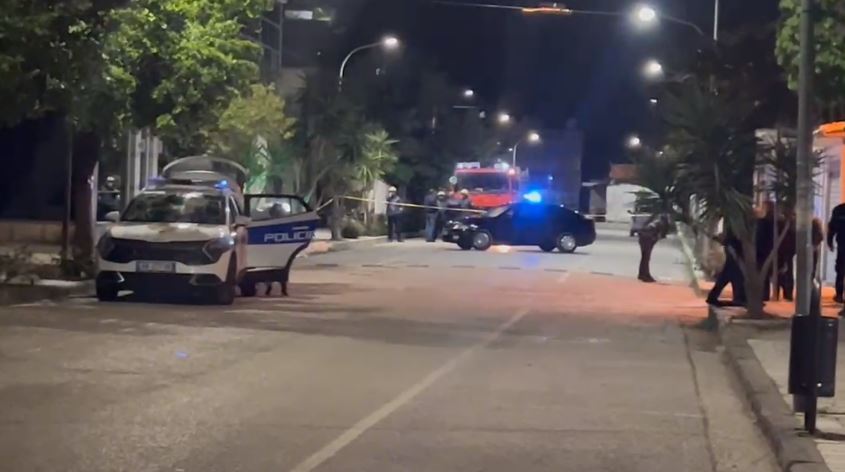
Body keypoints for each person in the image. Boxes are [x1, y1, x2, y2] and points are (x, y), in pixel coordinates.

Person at [707, 229, 746, 306]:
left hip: (733, 260)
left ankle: (712, 297)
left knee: (727, 278)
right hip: (734, 261)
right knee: (734, 278)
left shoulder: (733, 237)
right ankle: (739, 298)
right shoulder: (734, 236)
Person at [828, 203, 845, 302]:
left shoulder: (839, 210)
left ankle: (839, 295)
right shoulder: (839, 210)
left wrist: (830, 241)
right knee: (840, 270)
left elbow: (832, 228)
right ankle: (839, 295)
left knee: (840, 271)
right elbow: (832, 227)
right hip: (842, 245)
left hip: (842, 245)